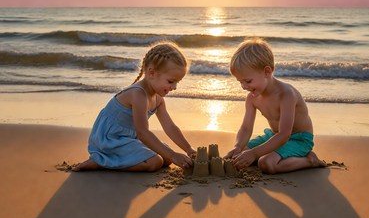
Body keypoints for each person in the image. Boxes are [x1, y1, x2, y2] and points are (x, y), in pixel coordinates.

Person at [73, 41, 196, 172]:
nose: (174, 87)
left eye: (177, 82)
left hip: (129, 138)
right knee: (156, 161)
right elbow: (143, 132)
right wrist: (173, 154)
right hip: (110, 140)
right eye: (171, 81)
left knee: (166, 160)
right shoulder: (138, 94)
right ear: (152, 73)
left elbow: (170, 127)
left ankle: (118, 159)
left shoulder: (158, 99)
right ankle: (102, 162)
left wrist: (188, 149)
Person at [224, 38, 326, 174]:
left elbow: (285, 134)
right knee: (240, 155)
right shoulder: (252, 98)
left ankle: (309, 160)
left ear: (267, 72)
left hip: (298, 139)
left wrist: (254, 154)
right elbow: (246, 127)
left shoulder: (286, 94)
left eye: (248, 81)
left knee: (265, 163)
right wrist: (238, 147)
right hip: (273, 136)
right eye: (240, 82)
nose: (244, 87)